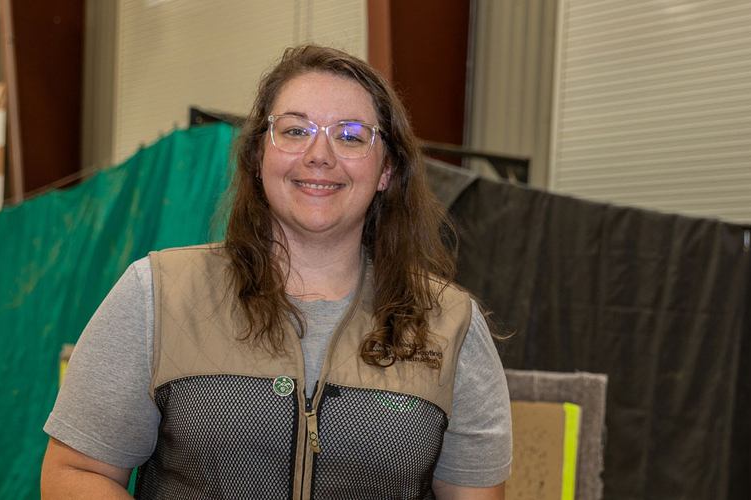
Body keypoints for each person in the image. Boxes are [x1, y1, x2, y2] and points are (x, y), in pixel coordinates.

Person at [41, 45, 511, 499]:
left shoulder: (452, 326)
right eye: (294, 130)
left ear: (386, 169)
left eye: (350, 135)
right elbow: (75, 473)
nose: (319, 155)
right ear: (258, 156)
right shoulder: (157, 295)